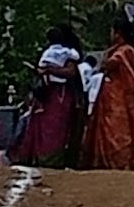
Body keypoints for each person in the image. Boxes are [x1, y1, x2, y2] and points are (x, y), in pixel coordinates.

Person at [13, 25, 87, 169]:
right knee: (41, 126)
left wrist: (49, 70)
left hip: (59, 96)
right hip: (46, 95)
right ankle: (37, 158)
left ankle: (52, 160)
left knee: (54, 129)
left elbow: (70, 72)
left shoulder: (67, 55)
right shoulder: (51, 53)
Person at [80, 17, 134, 170]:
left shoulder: (125, 50)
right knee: (110, 128)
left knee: (118, 129)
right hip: (112, 96)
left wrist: (105, 62)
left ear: (118, 33)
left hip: (119, 96)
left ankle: (122, 161)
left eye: (112, 31)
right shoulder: (121, 49)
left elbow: (112, 63)